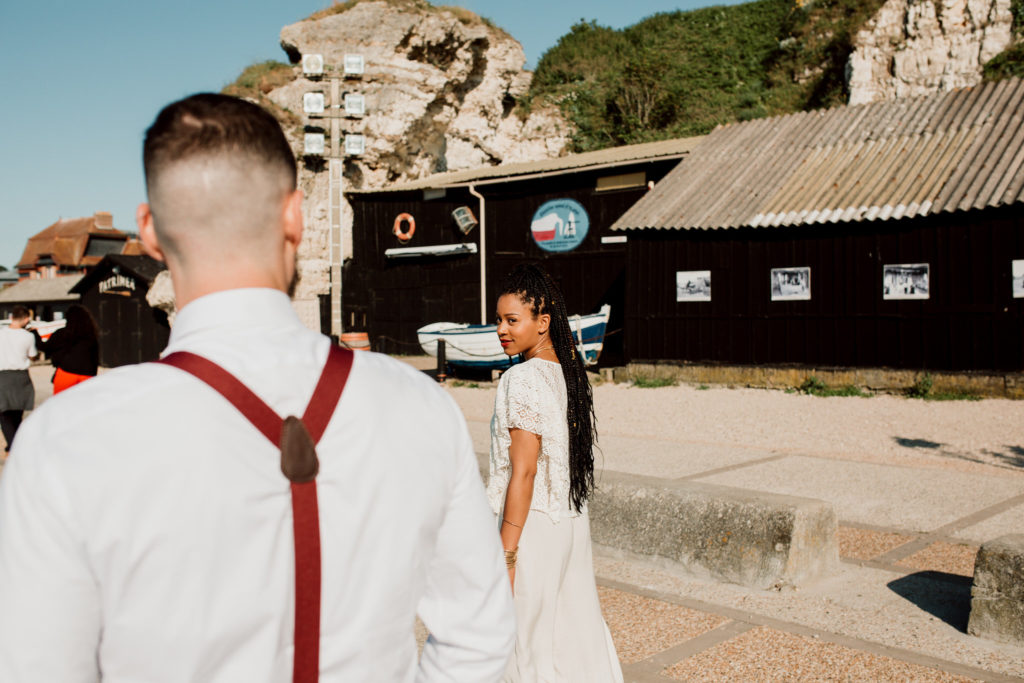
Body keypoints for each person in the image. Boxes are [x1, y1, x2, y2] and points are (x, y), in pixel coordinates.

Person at [0, 93, 514, 682]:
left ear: (148, 230)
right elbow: (480, 637)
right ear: (294, 215)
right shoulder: (422, 406)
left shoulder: (65, 439)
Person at [489, 264, 623, 681]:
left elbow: (524, 471)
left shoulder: (523, 378)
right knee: (572, 636)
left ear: (542, 323)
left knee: (524, 645)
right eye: (498, 319)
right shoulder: (565, 373)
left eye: (513, 320)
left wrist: (506, 555)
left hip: (531, 528)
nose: (501, 330)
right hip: (569, 520)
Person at [33, 304, 99, 394]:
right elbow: (95, 359)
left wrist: (35, 333)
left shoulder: (63, 333)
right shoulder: (91, 337)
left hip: (66, 373)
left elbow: (44, 347)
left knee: (61, 403)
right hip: (88, 375)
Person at [0, 306, 38, 454]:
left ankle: (12, 444)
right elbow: (33, 355)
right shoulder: (28, 336)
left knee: (4, 413)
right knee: (17, 412)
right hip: (21, 376)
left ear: (11, 317)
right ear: (27, 319)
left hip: (2, 375)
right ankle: (15, 444)